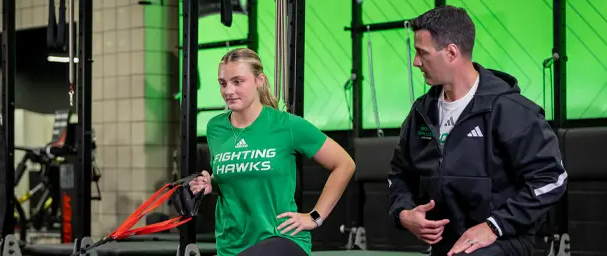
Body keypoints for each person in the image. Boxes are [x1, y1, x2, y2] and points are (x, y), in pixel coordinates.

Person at [387, 5, 568, 256]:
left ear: (451, 52)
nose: (416, 62)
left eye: (421, 53)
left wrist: (495, 226)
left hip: (502, 241)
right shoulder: (421, 112)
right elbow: (399, 174)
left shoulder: (509, 109)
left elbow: (551, 178)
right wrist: (404, 213)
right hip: (445, 245)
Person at [189, 48, 356, 256]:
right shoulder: (216, 128)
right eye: (223, 83)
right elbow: (237, 172)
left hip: (281, 237)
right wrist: (210, 183)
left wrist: (315, 216)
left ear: (260, 80)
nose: (228, 91)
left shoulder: (286, 125)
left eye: (238, 81)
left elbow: (344, 164)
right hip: (231, 244)